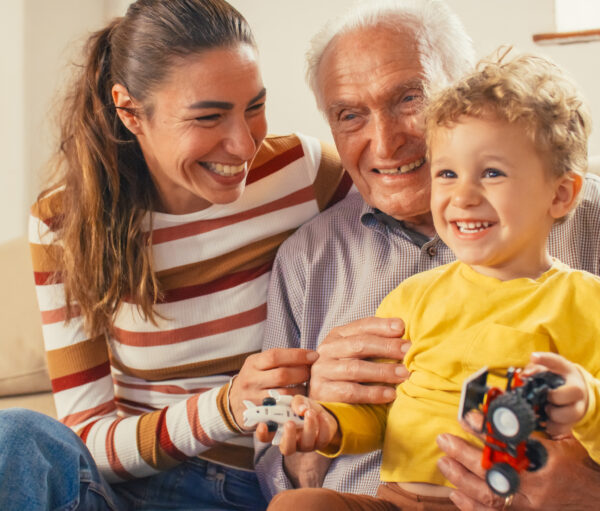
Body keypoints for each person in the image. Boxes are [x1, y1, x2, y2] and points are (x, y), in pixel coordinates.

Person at [0, 0, 350, 509]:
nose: (243, 143)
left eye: (254, 106)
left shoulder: (304, 172)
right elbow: (88, 438)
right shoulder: (64, 223)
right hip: (132, 491)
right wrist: (226, 409)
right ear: (130, 111)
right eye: (208, 117)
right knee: (14, 437)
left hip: (270, 487)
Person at [254, 1, 600, 509]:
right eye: (350, 115)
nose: (387, 143)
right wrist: (320, 418)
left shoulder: (582, 287)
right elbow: (277, 464)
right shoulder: (320, 262)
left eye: (409, 98)